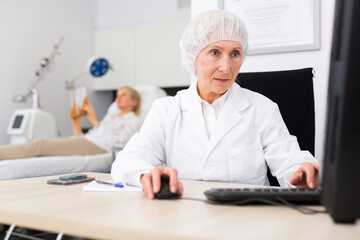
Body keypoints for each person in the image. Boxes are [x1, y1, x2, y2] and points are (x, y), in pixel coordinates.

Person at [111, 10, 319, 199]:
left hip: (249, 218)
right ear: (193, 54)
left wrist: (302, 174)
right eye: (215, 52)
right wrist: (148, 174)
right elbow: (126, 162)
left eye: (235, 53)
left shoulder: (262, 108)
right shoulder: (166, 110)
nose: (226, 67)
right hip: (184, 218)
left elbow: (290, 161)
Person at [0, 86, 141, 160]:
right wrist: (76, 124)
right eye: (117, 95)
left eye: (124, 95)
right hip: (89, 142)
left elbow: (118, 144)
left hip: (101, 147)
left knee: (40, 145)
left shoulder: (134, 120)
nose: (118, 98)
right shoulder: (112, 117)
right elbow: (86, 138)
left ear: (134, 102)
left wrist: (93, 120)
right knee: (41, 148)